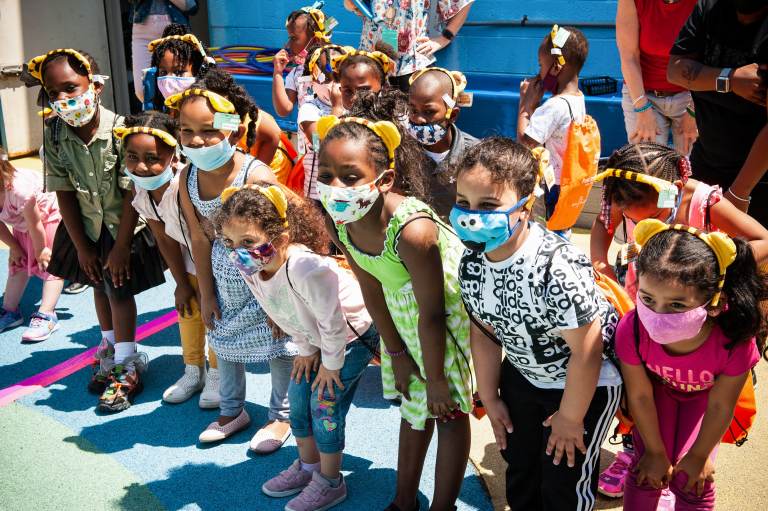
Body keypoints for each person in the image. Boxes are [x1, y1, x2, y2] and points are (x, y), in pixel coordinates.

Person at [453, 138, 622, 510]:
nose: (470, 216)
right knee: (522, 475)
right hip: (523, 377)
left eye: (488, 206)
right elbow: (484, 333)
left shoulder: (553, 267)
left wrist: (570, 416)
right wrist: (490, 394)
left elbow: (588, 349)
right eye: (463, 203)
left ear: (525, 205)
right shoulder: (472, 262)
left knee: (564, 484)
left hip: (582, 386)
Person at [316, 114, 474, 511]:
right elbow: (371, 285)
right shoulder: (340, 218)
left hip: (446, 318)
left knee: (448, 411)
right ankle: (404, 501)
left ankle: (443, 506)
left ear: (384, 180)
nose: (336, 186)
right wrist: (397, 354)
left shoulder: (412, 232)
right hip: (404, 315)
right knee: (413, 406)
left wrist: (436, 377)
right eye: (327, 173)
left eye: (350, 177)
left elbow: (434, 313)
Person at [214, 183, 378, 511]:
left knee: (324, 406)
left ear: (281, 239)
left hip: (350, 335)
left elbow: (333, 322)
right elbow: (285, 312)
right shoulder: (252, 264)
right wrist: (305, 348)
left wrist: (330, 363)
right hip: (316, 339)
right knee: (299, 400)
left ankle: (331, 482)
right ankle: (309, 467)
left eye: (248, 241)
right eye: (229, 242)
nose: (237, 251)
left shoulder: (306, 268)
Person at [27, 48, 167, 412]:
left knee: (118, 288)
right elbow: (65, 192)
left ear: (96, 86)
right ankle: (108, 347)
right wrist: (82, 247)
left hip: (122, 228)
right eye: (53, 92)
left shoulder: (122, 130)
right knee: (98, 285)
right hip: (86, 228)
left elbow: (129, 191)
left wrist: (120, 248)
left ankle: (126, 361)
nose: (63, 99)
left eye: (71, 88)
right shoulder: (54, 134)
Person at [171, 71, 296, 453]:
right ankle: (232, 411)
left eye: (208, 131)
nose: (196, 140)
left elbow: (280, 236)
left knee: (280, 346)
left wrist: (277, 300)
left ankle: (281, 415)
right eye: (186, 130)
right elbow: (198, 237)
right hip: (225, 283)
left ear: (232, 129)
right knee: (222, 340)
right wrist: (206, 294)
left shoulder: (253, 173)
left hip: (267, 277)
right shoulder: (186, 178)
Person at [617, 219, 766, 510]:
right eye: (647, 298)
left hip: (705, 401)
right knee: (646, 469)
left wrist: (699, 456)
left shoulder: (734, 340)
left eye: (676, 305)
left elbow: (721, 406)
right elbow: (640, 395)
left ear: (713, 302)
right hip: (656, 396)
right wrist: (656, 452)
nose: (657, 313)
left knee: (694, 478)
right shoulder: (631, 328)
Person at [117, 111, 219, 408]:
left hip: (215, 260)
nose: (141, 167)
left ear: (174, 156)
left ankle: (218, 373)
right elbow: (162, 236)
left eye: (152, 158)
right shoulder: (142, 188)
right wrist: (180, 283)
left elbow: (201, 239)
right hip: (187, 260)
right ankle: (193, 370)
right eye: (132, 157)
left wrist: (204, 285)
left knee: (214, 314)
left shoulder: (188, 185)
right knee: (187, 309)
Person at [591, 142, 768, 294]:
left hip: (697, 298)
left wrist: (711, 267)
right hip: (642, 292)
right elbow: (602, 223)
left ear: (674, 189)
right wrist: (601, 265)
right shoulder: (625, 195)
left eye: (655, 217)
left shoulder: (704, 202)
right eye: (635, 221)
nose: (647, 225)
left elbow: (764, 240)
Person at [668, 0, 768, 225]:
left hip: (756, 178)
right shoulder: (710, 7)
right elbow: (674, 70)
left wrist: (739, 193)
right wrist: (729, 79)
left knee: (751, 255)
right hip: (707, 161)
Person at [518, 25, 590, 231]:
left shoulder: (553, 106)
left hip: (552, 185)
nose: (538, 72)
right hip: (570, 180)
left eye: (541, 64)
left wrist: (526, 104)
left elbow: (526, 141)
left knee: (547, 227)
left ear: (557, 68)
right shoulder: (578, 97)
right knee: (562, 224)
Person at [616, 0, 698, 155]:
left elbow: (709, 58)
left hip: (692, 95)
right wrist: (642, 109)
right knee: (648, 169)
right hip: (643, 94)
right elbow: (629, 57)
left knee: (691, 170)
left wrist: (695, 111)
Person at [0, 146, 63, 341]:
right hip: (22, 222)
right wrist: (15, 247)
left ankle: (47, 313)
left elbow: (35, 223)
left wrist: (41, 250)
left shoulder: (19, 190)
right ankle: (10, 311)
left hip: (47, 215)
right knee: (18, 263)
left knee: (49, 265)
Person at [343, 0, 473, 91]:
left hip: (411, 66)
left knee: (409, 124)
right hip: (370, 63)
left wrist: (445, 38)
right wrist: (355, 6)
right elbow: (348, 4)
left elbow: (463, 2)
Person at [407, 67, 478, 219]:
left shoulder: (476, 155)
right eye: (413, 110)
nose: (418, 119)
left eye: (428, 112)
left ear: (452, 115)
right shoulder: (403, 151)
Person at [297, 44, 348, 201]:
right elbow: (320, 144)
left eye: (338, 78)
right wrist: (337, 109)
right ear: (313, 81)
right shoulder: (309, 110)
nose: (333, 85)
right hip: (318, 195)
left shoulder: (352, 107)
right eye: (326, 78)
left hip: (345, 191)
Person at [129, 0, 198, 102]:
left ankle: (178, 115)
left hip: (175, 30)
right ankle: (158, 115)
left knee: (179, 84)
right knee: (142, 90)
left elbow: (191, 6)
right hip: (143, 33)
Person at [272, 5, 334, 118]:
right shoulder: (296, 72)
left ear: (315, 40)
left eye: (293, 38)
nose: (288, 45)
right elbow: (284, 110)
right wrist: (277, 73)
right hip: (307, 136)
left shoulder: (339, 68)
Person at [144, 23, 215, 111]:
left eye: (178, 72)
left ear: (198, 72)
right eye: (163, 72)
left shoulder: (211, 109)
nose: (168, 81)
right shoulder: (159, 111)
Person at [331, 44, 396, 112]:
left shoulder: (390, 118)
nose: (354, 98)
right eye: (348, 91)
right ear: (340, 90)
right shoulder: (342, 116)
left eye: (363, 90)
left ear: (383, 87)